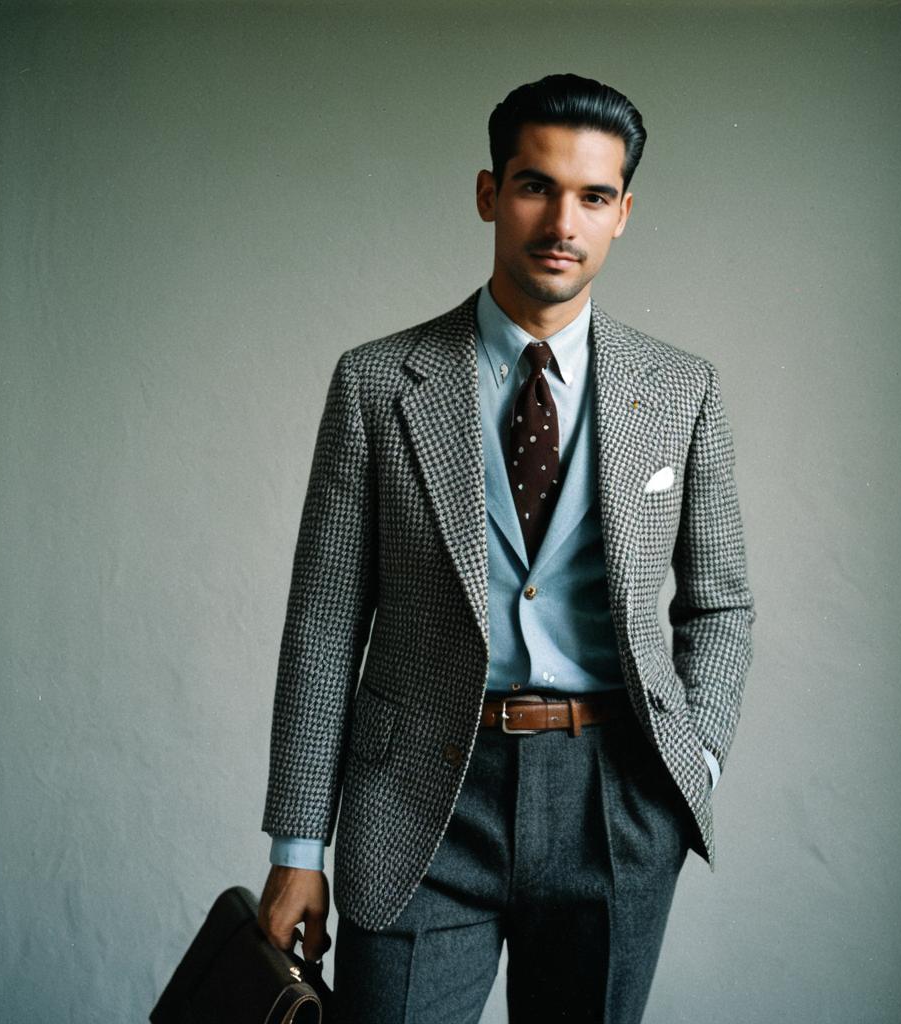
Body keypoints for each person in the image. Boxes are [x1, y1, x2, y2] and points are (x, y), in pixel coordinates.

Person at [257, 73, 754, 1023]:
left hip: (614, 799)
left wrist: (695, 760)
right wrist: (295, 850)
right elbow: (323, 624)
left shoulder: (681, 389)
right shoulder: (377, 384)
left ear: (623, 214)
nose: (562, 220)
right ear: (490, 193)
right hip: (419, 802)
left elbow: (721, 602)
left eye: (594, 196)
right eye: (536, 186)